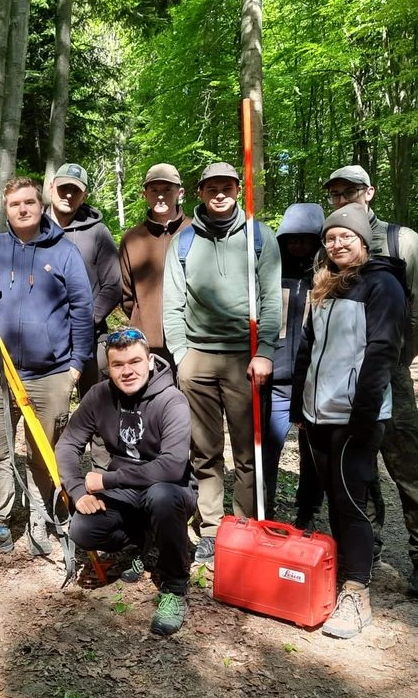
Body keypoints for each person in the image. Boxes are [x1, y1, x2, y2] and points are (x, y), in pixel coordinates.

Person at [323, 165, 418, 600]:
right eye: (335, 194)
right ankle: (367, 545)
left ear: (369, 193)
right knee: (359, 466)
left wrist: (397, 357)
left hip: (389, 374)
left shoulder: (402, 241)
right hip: (341, 382)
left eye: (350, 192)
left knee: (407, 466)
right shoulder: (333, 245)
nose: (343, 199)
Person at [0, 177, 93, 562]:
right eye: (14, 203)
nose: (22, 209)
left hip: (50, 373)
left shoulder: (64, 252)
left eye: (29, 202)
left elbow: (82, 311)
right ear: (6, 208)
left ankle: (43, 514)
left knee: (44, 452)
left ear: (40, 204)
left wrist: (76, 367)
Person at [290, 203, 407, 639]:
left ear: (363, 241)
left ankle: (357, 594)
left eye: (346, 237)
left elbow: (381, 353)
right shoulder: (323, 285)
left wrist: (364, 411)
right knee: (335, 499)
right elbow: (308, 346)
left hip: (355, 414)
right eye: (331, 238)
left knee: (352, 500)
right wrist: (300, 403)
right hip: (317, 411)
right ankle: (342, 574)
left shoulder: (382, 286)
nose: (337, 244)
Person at [162, 162, 280, 567]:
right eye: (211, 187)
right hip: (197, 359)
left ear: (237, 189)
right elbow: (172, 303)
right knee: (204, 450)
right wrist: (181, 355)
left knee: (249, 452)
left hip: (245, 361)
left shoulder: (259, 238)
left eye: (227, 187)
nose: (219, 194)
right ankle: (212, 528)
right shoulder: (183, 242)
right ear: (199, 193)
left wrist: (264, 351)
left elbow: (269, 300)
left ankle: (244, 525)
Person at [56, 328, 196, 636]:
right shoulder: (99, 396)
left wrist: (106, 479)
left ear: (149, 361)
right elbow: (67, 445)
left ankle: (174, 586)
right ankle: (142, 542)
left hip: (170, 489)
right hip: (126, 490)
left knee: (162, 498)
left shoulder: (172, 400)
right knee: (83, 528)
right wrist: (78, 490)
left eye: (135, 361)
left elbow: (172, 467)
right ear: (109, 367)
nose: (127, 371)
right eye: (118, 364)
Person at [266, 203, 324, 523]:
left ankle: (308, 510)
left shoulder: (328, 277)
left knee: (313, 451)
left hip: (314, 380)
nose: (298, 245)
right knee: (269, 448)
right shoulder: (270, 275)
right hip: (275, 380)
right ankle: (265, 505)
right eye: (292, 238)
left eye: (306, 238)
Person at [47, 163, 121, 396]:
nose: (68, 195)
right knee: (49, 411)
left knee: (97, 405)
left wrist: (85, 320)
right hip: (45, 339)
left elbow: (113, 285)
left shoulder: (97, 232)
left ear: (84, 195)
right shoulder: (34, 229)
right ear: (51, 188)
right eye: (63, 188)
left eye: (75, 190)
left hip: (91, 335)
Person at [119, 163, 191, 366]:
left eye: (168, 189)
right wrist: (143, 318)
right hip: (147, 345)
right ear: (145, 194)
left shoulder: (195, 231)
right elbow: (126, 295)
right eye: (154, 190)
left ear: (180, 192)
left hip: (191, 343)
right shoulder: (132, 239)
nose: (161, 196)